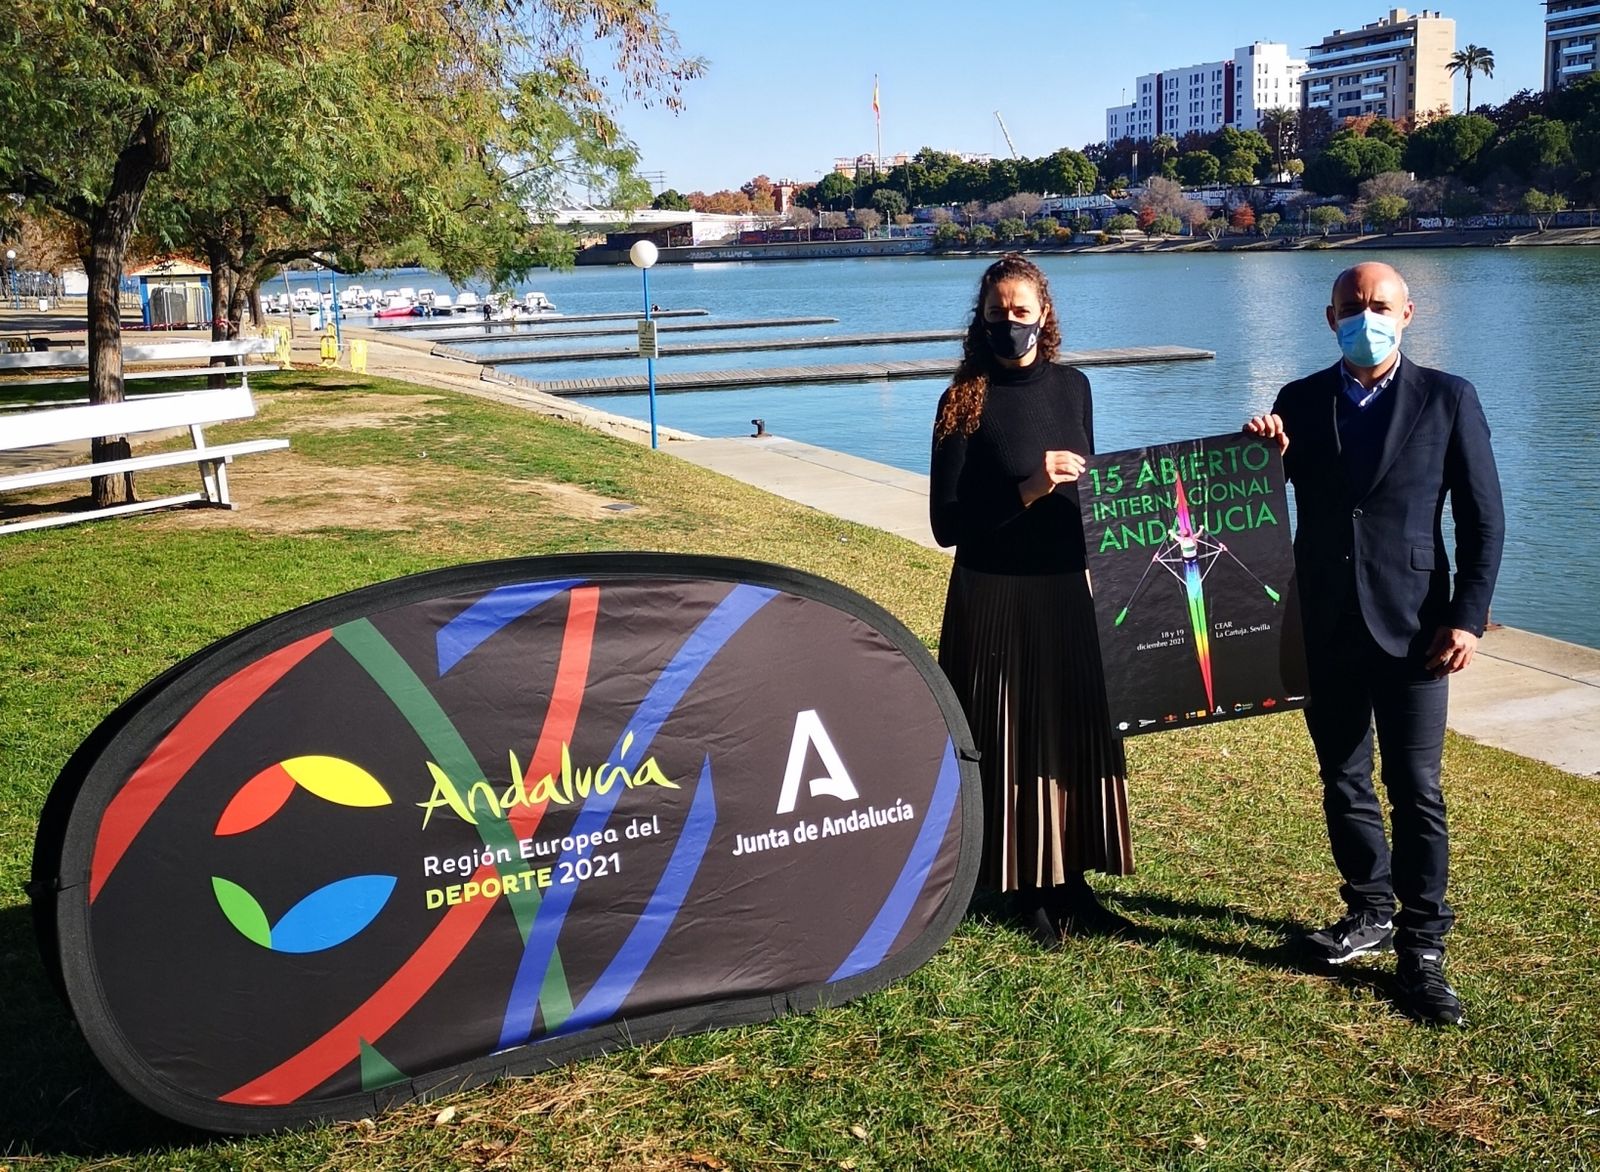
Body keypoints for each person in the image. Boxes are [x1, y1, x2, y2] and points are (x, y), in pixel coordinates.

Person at [1245, 261, 1504, 1026]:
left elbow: (1484, 520)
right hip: (1323, 626)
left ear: (1409, 312)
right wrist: (1261, 451)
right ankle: (1369, 909)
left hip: (1418, 629)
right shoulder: (1297, 400)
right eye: (1353, 306)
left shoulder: (1449, 398)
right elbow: (1259, 502)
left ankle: (1423, 949)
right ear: (1331, 319)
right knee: (1343, 779)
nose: (1368, 315)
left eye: (1380, 304)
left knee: (1417, 791)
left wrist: (1468, 616)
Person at [930, 254, 1133, 948]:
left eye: (1020, 310)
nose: (1008, 322)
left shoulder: (1075, 388)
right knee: (1013, 740)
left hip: (1067, 591)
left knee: (1071, 734)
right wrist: (1028, 488)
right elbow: (945, 524)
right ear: (981, 317)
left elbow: (1097, 492)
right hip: (996, 598)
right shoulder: (964, 400)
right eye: (996, 311)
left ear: (1044, 314)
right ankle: (1024, 889)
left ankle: (1074, 882)